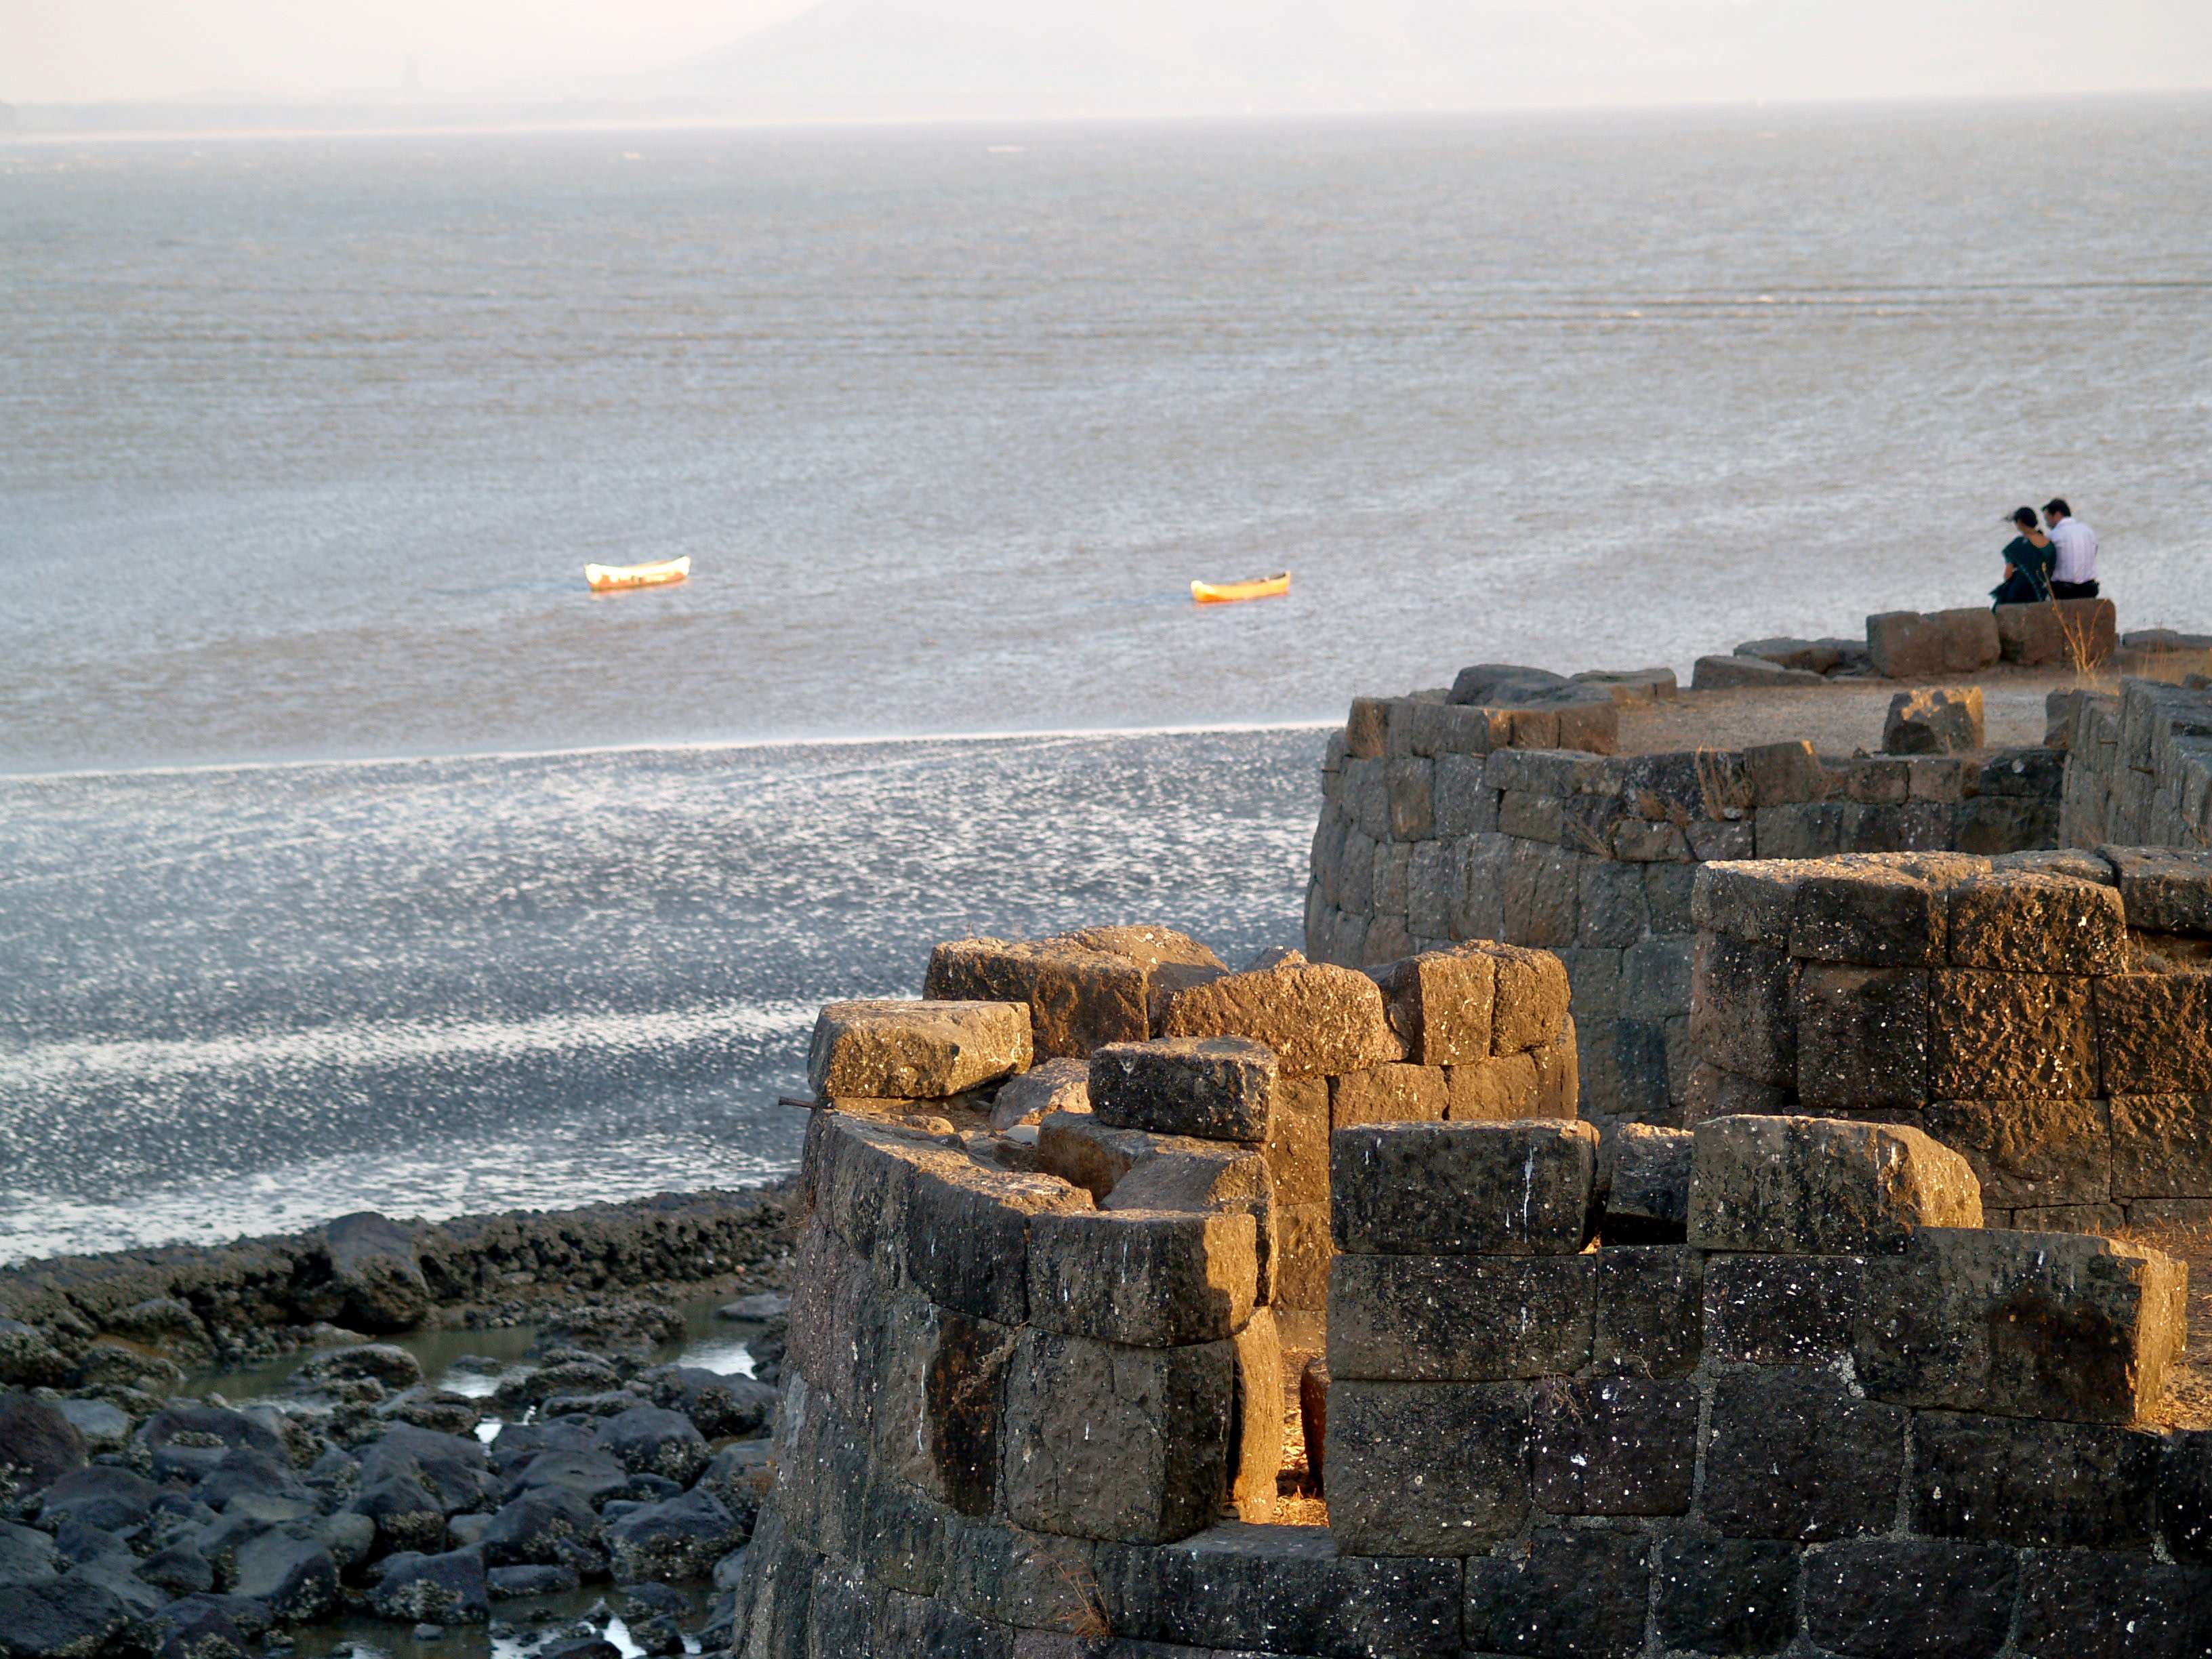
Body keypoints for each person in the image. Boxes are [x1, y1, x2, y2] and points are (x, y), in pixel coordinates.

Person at [1990, 506, 2055, 607]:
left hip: (2019, 593)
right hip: (2041, 593)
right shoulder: (2049, 543)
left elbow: (2008, 575)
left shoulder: (2019, 544)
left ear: (2020, 522)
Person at [2044, 498, 2100, 598]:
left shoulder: (2053, 535)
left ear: (2057, 515)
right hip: (2089, 590)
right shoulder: (2088, 531)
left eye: (2047, 519)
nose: (2047, 524)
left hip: (2064, 592)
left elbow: (2047, 564)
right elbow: (2094, 553)